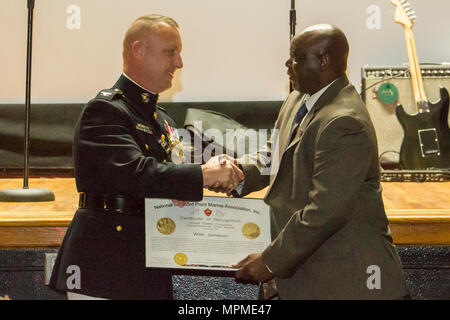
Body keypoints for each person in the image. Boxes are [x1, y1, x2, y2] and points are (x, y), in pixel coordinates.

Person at [49, 14, 243, 300]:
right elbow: (135, 173)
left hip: (146, 263)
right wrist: (205, 174)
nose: (179, 63)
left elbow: (160, 179)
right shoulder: (105, 110)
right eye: (170, 52)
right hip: (104, 266)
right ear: (138, 50)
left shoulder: (159, 118)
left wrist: (181, 187)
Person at [215, 24, 408, 299]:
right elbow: (275, 153)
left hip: (343, 280)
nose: (286, 63)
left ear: (324, 61)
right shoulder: (299, 98)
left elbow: (325, 211)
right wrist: (239, 172)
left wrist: (270, 261)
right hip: (309, 273)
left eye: (296, 57)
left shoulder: (344, 121)